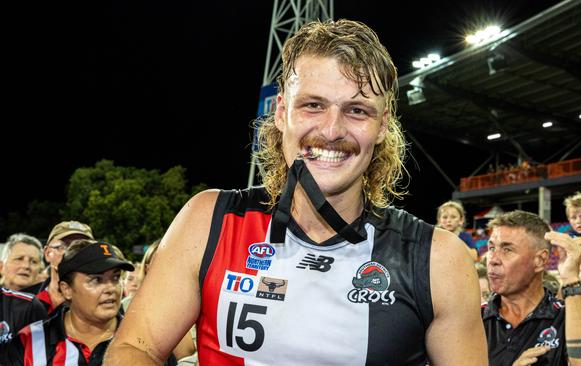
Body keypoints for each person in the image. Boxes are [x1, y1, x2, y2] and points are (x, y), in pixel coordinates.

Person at [106, 19, 487, 365]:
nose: (331, 130)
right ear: (281, 112)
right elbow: (134, 348)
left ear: (383, 124)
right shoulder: (209, 219)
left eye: (356, 110)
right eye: (313, 105)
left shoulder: (440, 260)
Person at [484, 210, 581, 365]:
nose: (492, 260)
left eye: (507, 249)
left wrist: (570, 278)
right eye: (491, 248)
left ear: (540, 260)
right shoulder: (474, 318)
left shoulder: (568, 318)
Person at [4, 239, 145, 365]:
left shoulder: (145, 340)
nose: (111, 288)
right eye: (96, 280)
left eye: (115, 278)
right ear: (66, 290)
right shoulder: (28, 342)